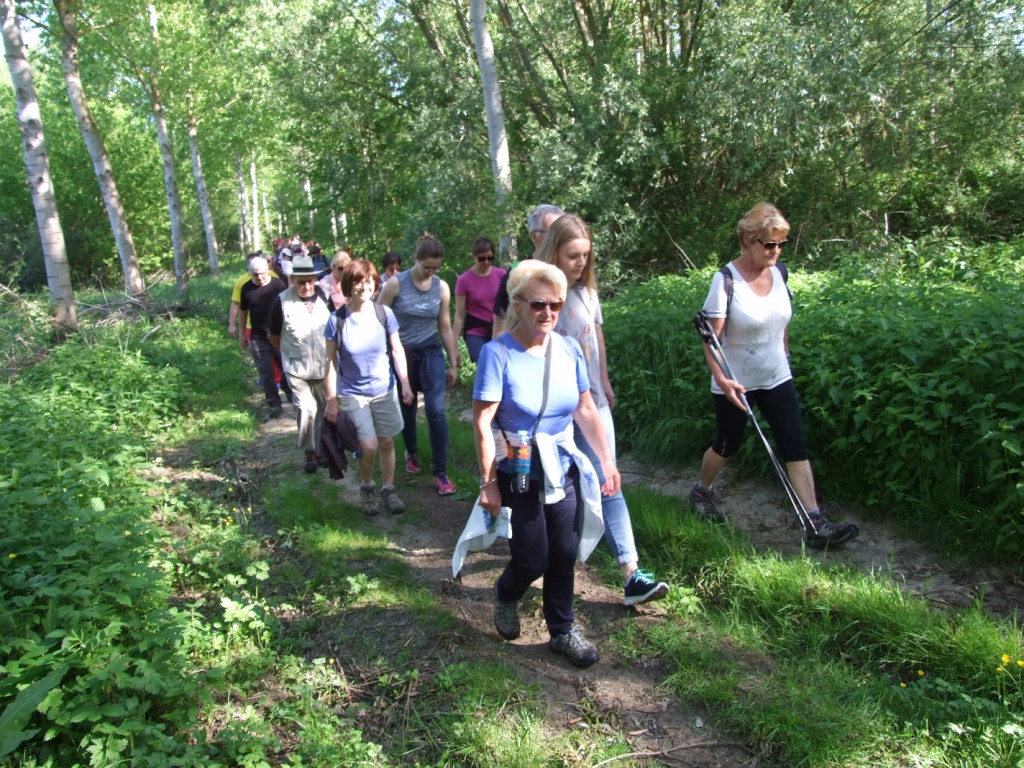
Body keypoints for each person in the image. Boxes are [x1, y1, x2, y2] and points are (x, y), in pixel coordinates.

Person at [473, 260, 619, 668]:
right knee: (532, 558)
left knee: (564, 551)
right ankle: (505, 592)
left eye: (555, 304)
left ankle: (562, 630)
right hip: (517, 471)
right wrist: (488, 484)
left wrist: (606, 459)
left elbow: (586, 408)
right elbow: (483, 421)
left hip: (562, 466)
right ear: (516, 303)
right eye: (538, 304)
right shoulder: (496, 354)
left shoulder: (568, 348)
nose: (548, 313)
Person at [690, 203, 858, 548]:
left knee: (794, 444)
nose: (775, 251)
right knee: (727, 443)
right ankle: (702, 492)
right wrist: (723, 381)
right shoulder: (725, 281)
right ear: (748, 240)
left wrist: (786, 357)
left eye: (780, 244)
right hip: (735, 382)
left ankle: (815, 521)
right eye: (769, 244)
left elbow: (780, 323)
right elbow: (710, 340)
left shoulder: (779, 272)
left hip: (777, 376)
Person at [540, 214, 670, 606]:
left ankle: (631, 574)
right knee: (556, 491)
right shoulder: (542, 296)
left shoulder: (586, 293)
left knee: (608, 481)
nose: (580, 263)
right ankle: (536, 558)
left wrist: (605, 380)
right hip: (556, 412)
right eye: (572, 256)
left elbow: (595, 336)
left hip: (592, 404)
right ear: (554, 253)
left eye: (585, 255)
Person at [325, 260, 413, 516]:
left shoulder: (384, 314)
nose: (364, 286)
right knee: (368, 445)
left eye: (369, 281)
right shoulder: (337, 320)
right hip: (353, 393)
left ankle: (388, 489)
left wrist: (405, 383)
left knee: (386, 442)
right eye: (358, 281)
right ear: (348, 285)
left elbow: (396, 349)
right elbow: (329, 362)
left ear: (375, 284)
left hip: (384, 388)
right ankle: (367, 487)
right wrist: (331, 398)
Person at [378, 235, 460, 495]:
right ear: (415, 259)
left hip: (430, 351)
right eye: (427, 267)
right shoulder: (395, 284)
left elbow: (445, 326)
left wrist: (454, 360)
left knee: (436, 411)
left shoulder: (441, 288)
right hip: (402, 353)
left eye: (435, 268)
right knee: (408, 407)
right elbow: (377, 320)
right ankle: (412, 452)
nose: (431, 272)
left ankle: (441, 472)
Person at [268, 255, 332, 473]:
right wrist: (288, 353)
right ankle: (310, 452)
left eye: (310, 281)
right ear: (292, 280)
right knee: (307, 408)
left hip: (323, 366)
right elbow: (273, 336)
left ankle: (322, 447)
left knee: (323, 409)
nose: (306, 286)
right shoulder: (282, 302)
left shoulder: (323, 297)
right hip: (296, 368)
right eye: (301, 282)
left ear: (315, 279)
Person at [491, 204, 565, 334]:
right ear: (534, 236)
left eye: (564, 232)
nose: (560, 238)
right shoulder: (517, 273)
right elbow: (500, 317)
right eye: (552, 233)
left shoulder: (574, 269)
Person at [238, 255, 293, 418]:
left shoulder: (278, 285)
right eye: (255, 274)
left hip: (279, 334)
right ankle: (274, 403)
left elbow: (288, 307)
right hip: (258, 336)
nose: (259, 277)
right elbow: (243, 312)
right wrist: (242, 334)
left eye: (262, 273)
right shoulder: (246, 289)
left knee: (285, 367)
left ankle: (289, 391)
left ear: (268, 270)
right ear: (250, 274)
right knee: (266, 371)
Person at [453, 236, 507, 364]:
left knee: (501, 364)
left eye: (490, 258)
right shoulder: (464, 280)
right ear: (474, 256)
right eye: (482, 259)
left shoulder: (502, 275)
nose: (486, 262)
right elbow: (459, 315)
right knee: (485, 362)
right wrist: (453, 346)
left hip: (498, 328)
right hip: (476, 330)